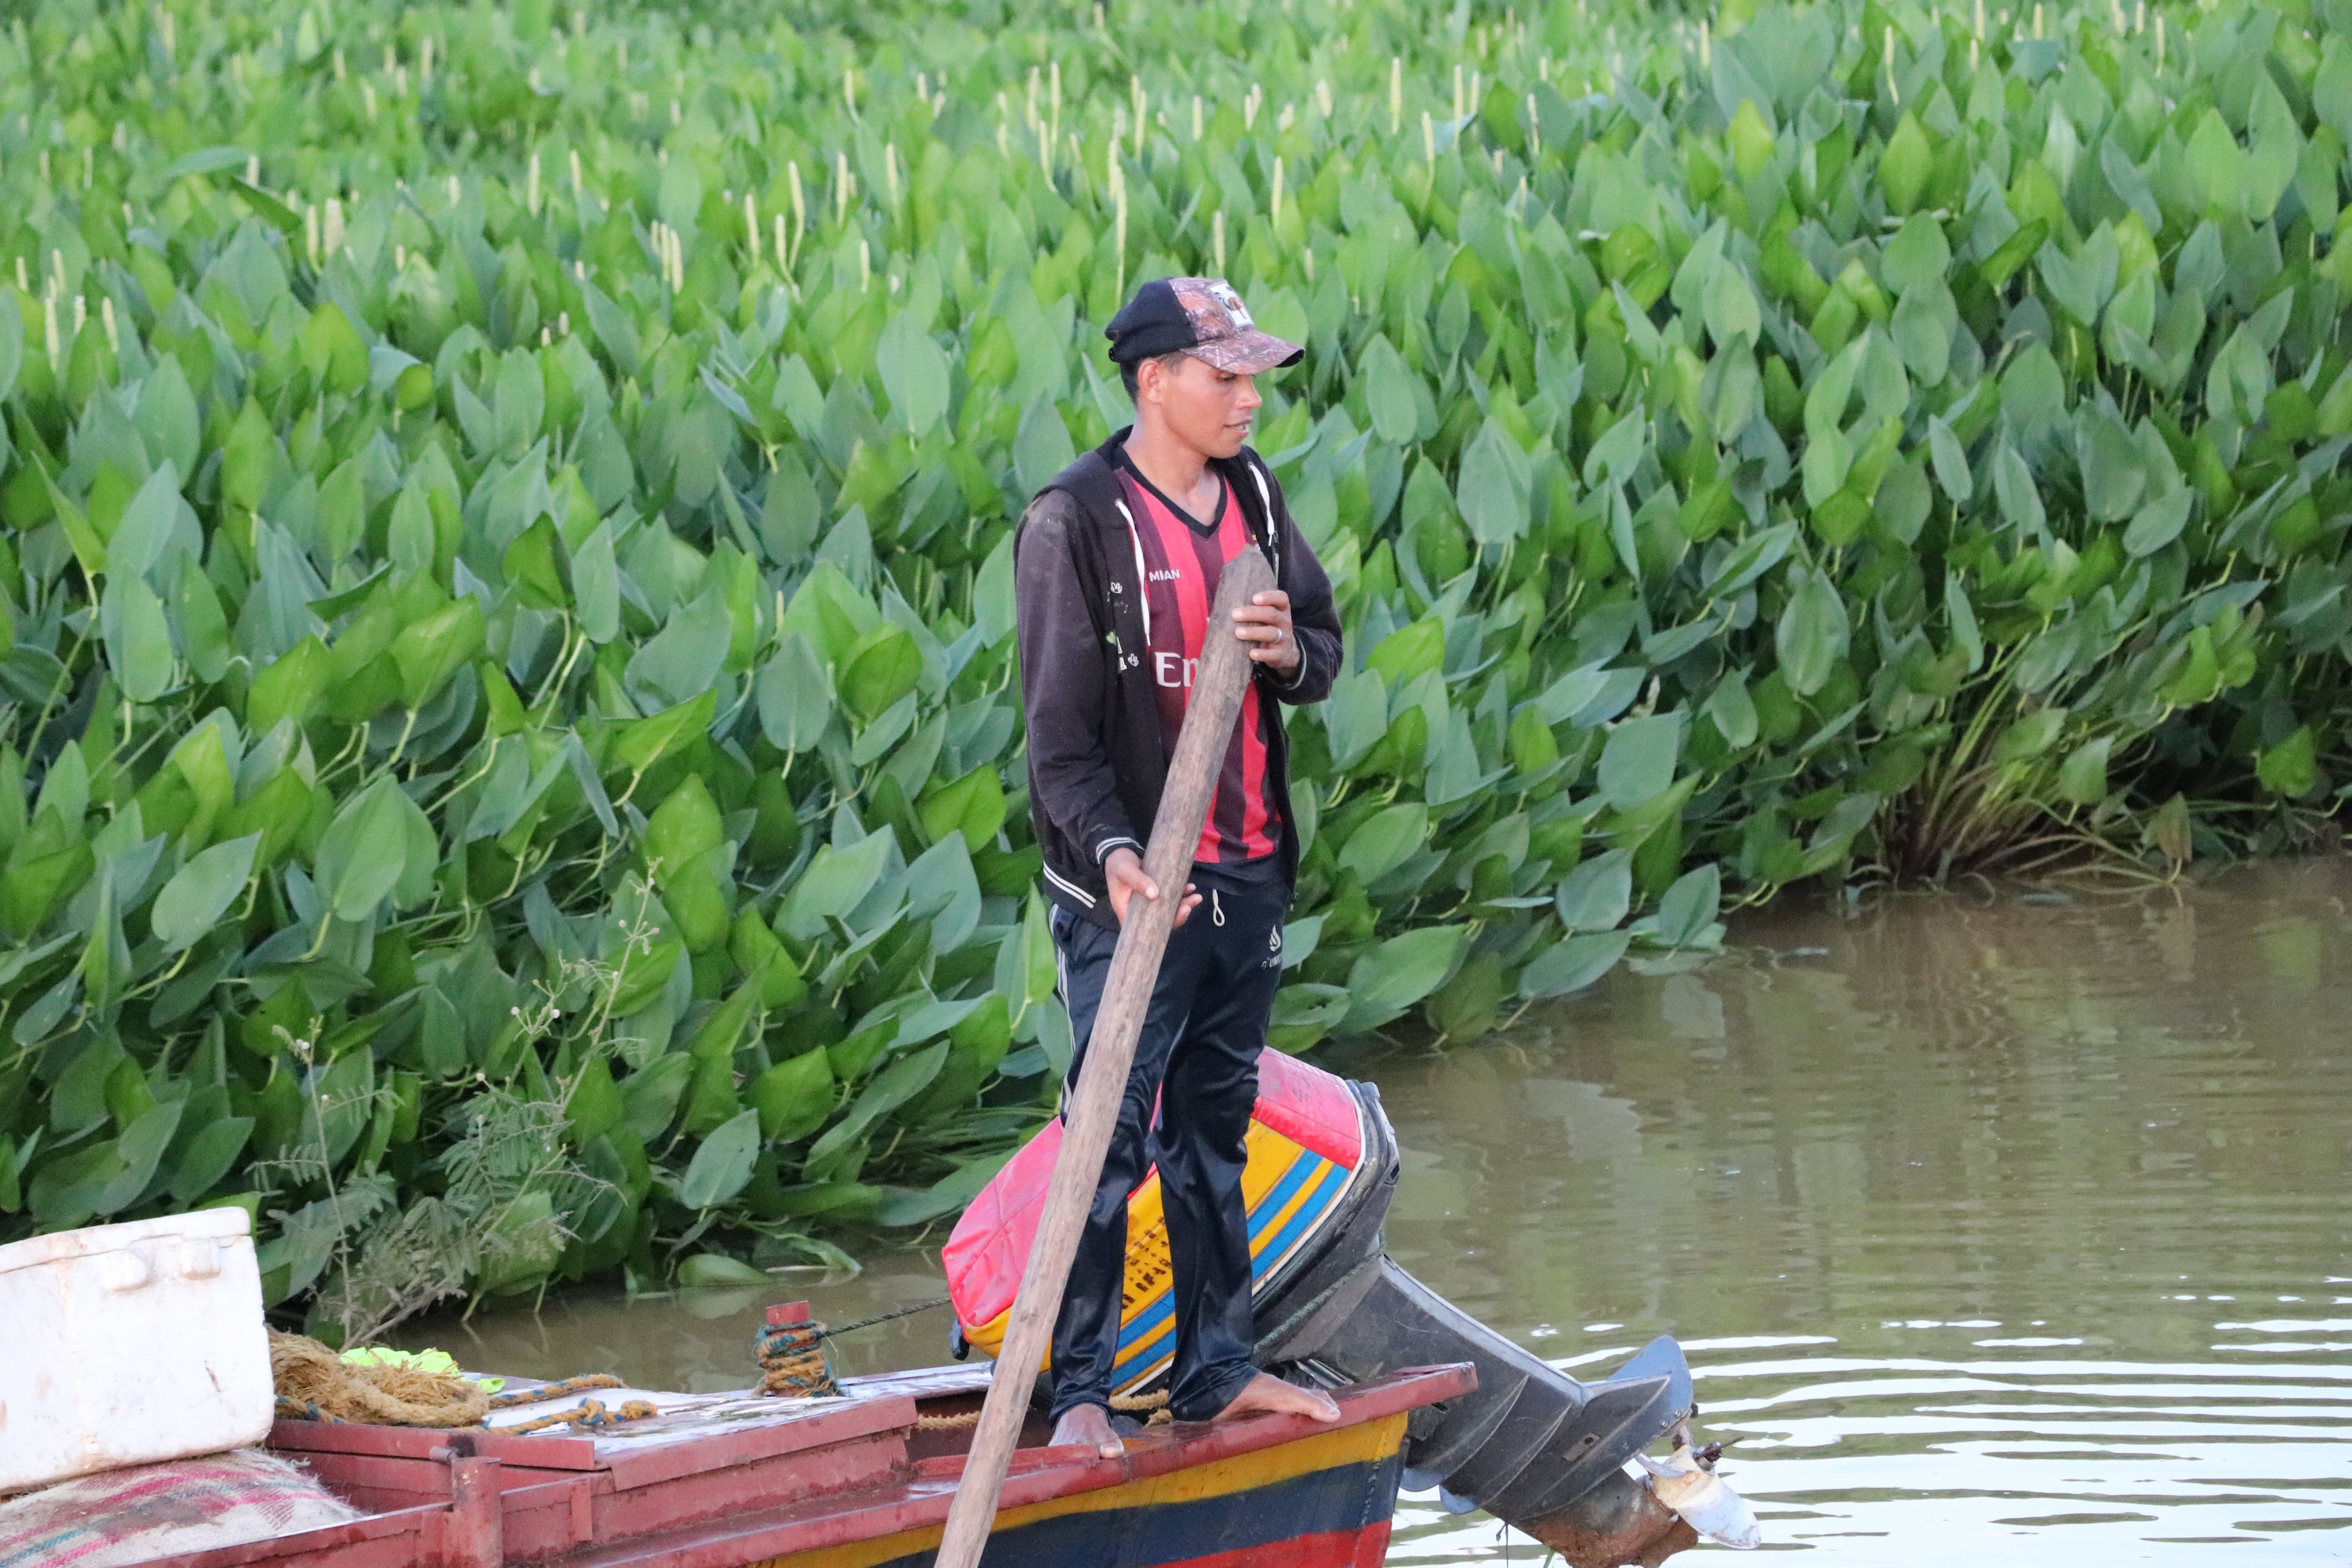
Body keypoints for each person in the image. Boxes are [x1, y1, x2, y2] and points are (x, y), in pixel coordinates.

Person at [1012, 277, 1348, 1458]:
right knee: (1105, 1132)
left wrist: (1287, 650)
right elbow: (1057, 744)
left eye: (1254, 376)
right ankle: (1081, 1391)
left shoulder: (1251, 493)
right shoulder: (1074, 521)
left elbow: (1321, 648)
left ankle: (1217, 1372)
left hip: (1246, 868)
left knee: (1212, 1127)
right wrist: (1113, 854)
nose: (1249, 398)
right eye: (1226, 375)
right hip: (1135, 888)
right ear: (1153, 381)